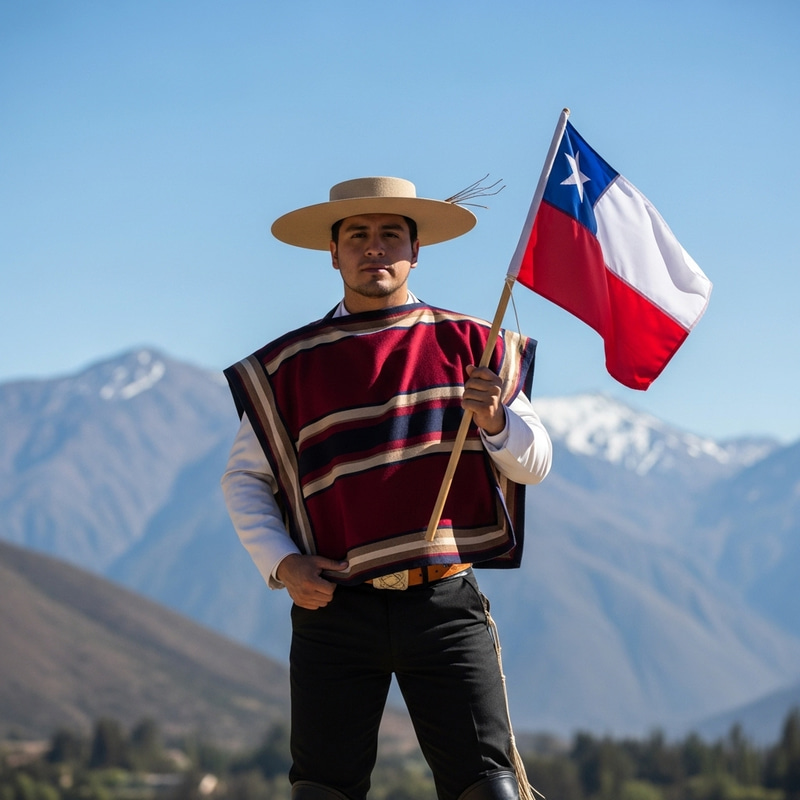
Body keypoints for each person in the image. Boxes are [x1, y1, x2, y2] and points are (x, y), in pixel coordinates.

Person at [221, 176, 552, 800]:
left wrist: (494, 420)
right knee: (322, 791)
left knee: (490, 789)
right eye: (359, 237)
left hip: (445, 604)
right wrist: (283, 563)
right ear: (334, 252)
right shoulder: (291, 365)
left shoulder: (473, 345)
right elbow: (244, 479)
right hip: (335, 609)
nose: (375, 249)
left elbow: (534, 464)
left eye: (390, 235)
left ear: (416, 250)